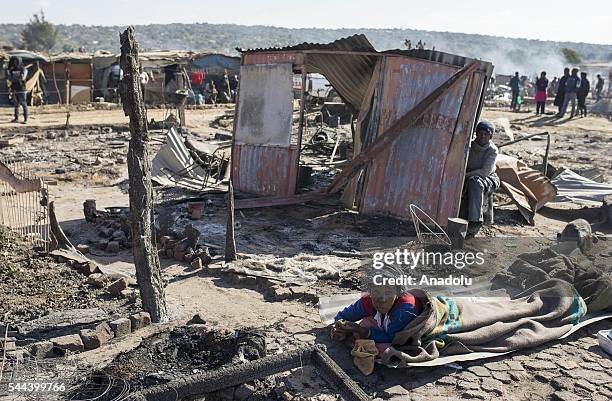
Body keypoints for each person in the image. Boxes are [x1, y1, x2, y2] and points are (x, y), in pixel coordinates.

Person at [330, 274, 422, 356]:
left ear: (397, 293)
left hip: (398, 328)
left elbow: (393, 339)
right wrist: (338, 327)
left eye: (388, 293)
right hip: (386, 323)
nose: (382, 299)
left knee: (385, 350)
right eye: (376, 292)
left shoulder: (405, 310)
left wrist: (363, 331)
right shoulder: (368, 301)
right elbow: (343, 316)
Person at [462, 120, 500, 238]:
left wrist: (464, 175)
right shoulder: (470, 146)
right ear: (476, 134)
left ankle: (475, 223)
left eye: (486, 134)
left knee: (475, 183)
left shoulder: (492, 150)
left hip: (489, 178)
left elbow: (485, 172)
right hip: (469, 175)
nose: (482, 136)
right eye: (480, 133)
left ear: (491, 136)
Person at [6, 56, 28, 124]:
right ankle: (16, 118)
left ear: (19, 61)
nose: (15, 63)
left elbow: (23, 78)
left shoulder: (23, 69)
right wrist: (16, 79)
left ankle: (25, 119)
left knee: (24, 104)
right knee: (16, 105)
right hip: (14, 89)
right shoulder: (12, 70)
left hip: (21, 89)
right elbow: (9, 79)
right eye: (14, 61)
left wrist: (15, 79)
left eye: (16, 61)